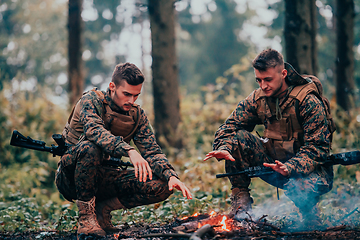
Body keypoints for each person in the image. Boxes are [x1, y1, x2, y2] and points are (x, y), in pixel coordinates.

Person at [55, 63, 192, 237]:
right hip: (71, 177)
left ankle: (102, 210)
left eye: (136, 96)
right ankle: (86, 219)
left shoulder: (137, 116)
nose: (131, 101)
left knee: (163, 185)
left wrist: (170, 175)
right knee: (90, 148)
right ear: (112, 87)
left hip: (105, 176)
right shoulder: (91, 100)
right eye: (126, 94)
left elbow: (152, 152)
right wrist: (129, 150)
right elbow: (94, 131)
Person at [204, 49, 334, 227]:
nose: (263, 86)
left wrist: (290, 167)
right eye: (259, 80)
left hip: (308, 172)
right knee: (238, 137)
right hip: (271, 166)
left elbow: (317, 148)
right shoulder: (259, 98)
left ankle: (310, 215)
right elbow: (229, 126)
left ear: (283, 73)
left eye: (268, 80)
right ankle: (241, 204)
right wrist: (225, 147)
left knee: (300, 188)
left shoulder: (307, 101)